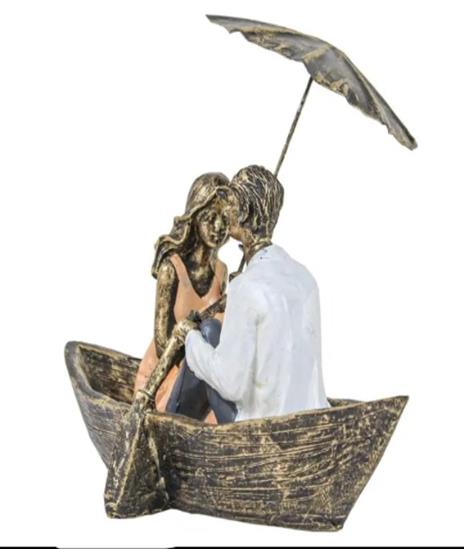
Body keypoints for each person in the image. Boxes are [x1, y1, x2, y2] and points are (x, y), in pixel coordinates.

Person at [172, 165, 330, 422]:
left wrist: (190, 338)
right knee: (210, 330)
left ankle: (167, 426)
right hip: (307, 414)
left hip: (260, 423)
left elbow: (230, 384)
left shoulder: (247, 287)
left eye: (231, 202)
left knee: (205, 334)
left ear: (243, 211)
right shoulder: (305, 278)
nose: (226, 211)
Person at [133, 172, 230, 423]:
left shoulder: (221, 272)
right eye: (210, 217)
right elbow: (162, 342)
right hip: (168, 375)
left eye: (225, 218)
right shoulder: (172, 268)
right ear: (194, 217)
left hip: (205, 374)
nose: (218, 227)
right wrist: (198, 348)